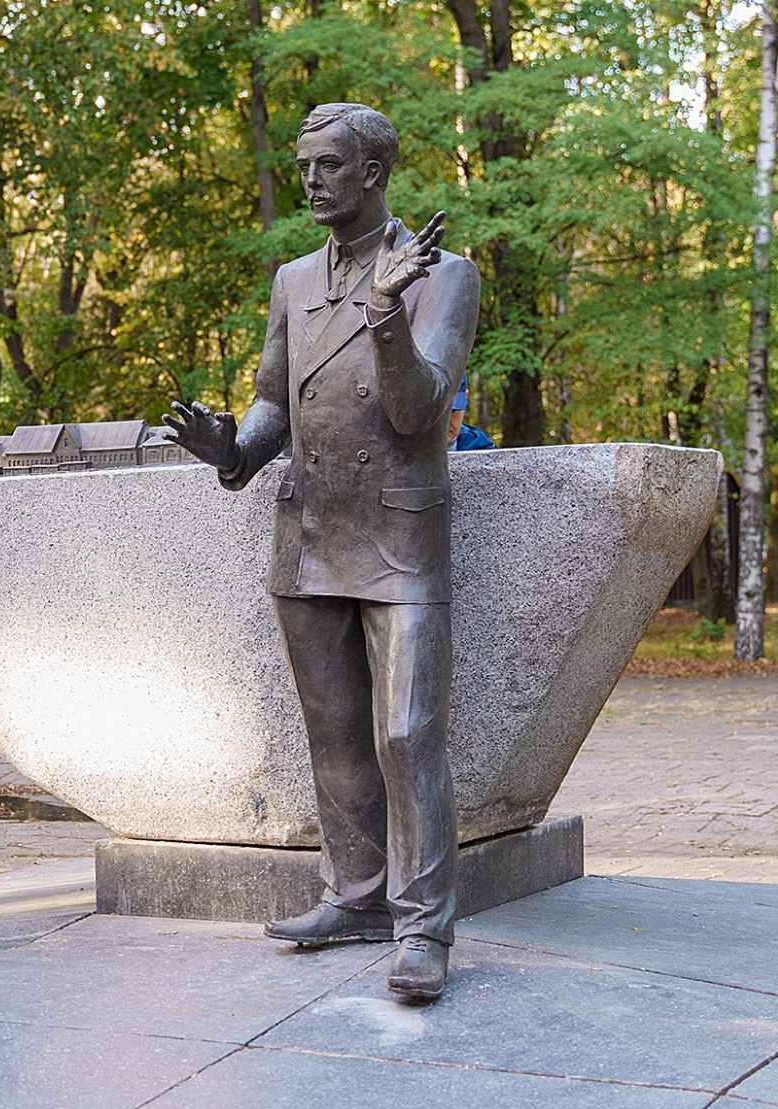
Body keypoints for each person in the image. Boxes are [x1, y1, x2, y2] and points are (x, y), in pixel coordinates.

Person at [162, 103, 479, 1001]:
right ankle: (359, 896)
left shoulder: (442, 276)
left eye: (328, 165)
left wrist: (385, 311)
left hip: (399, 535)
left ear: (374, 174)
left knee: (408, 732)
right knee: (336, 734)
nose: (309, 180)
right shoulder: (292, 278)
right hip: (309, 537)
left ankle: (424, 930)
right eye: (303, 164)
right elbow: (274, 404)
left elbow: (420, 414)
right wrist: (233, 449)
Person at [447, 377, 493, 451]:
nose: (444, 422)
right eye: (435, 413)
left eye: (452, 411)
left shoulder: (479, 446)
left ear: (466, 398)